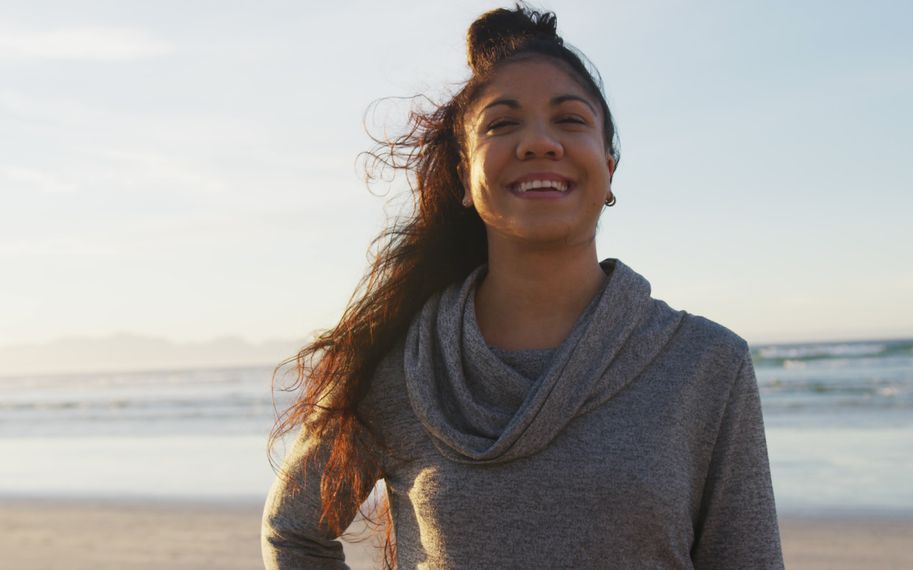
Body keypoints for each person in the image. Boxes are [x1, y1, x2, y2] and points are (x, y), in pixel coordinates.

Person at [261, 4, 784, 569]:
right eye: (502, 124)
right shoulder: (403, 363)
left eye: (570, 120)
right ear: (465, 176)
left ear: (609, 168)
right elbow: (295, 532)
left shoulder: (707, 363)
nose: (539, 143)